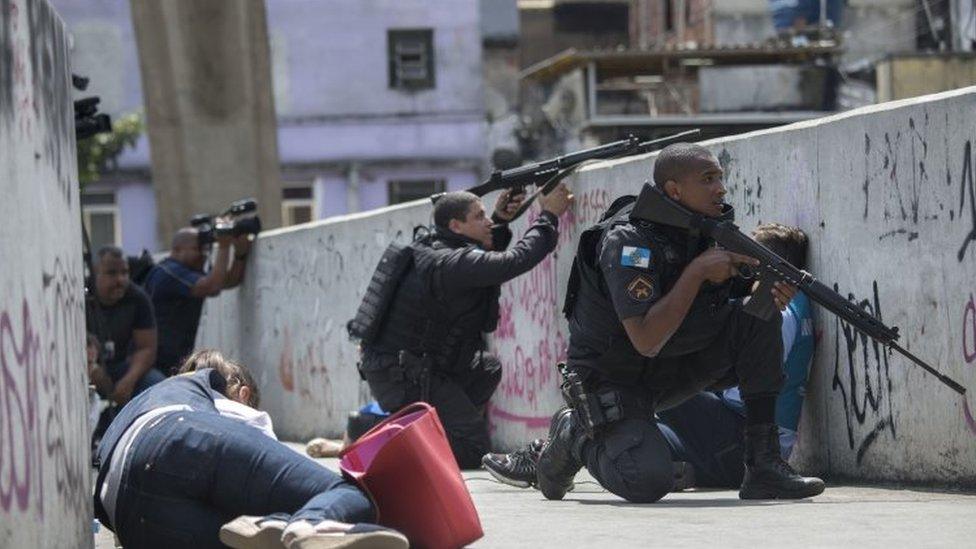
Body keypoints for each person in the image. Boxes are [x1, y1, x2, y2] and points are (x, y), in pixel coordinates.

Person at [532, 143, 824, 503]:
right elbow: (645, 339)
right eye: (707, 179)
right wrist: (699, 272)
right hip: (614, 380)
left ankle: (763, 465)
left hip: (671, 368)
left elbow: (728, 298)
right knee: (648, 480)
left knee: (756, 317)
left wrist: (761, 288)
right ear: (674, 190)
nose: (720, 188)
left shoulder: (702, 232)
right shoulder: (628, 242)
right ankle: (573, 433)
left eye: (720, 177)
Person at [485, 222, 815, 491]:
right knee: (622, 425)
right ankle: (561, 443)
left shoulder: (775, 311)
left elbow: (739, 389)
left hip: (734, 432)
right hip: (720, 436)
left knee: (622, 390)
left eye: (746, 257)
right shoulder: (776, 304)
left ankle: (572, 434)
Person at [92, 349, 408, 549]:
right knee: (348, 494)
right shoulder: (214, 390)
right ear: (243, 394)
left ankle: (284, 526)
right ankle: (308, 523)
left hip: (127, 516)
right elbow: (269, 473)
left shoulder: (148, 398)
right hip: (175, 439)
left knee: (253, 539)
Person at [359, 185, 573, 469]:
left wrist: (500, 219)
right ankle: (392, 444)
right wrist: (548, 216)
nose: (488, 222)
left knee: (486, 368)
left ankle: (433, 433)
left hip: (410, 368)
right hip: (405, 377)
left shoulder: (437, 248)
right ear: (456, 226)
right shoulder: (451, 262)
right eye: (479, 217)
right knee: (473, 449)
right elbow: (513, 261)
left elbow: (478, 260)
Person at [143, 226, 250, 375]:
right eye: (197, 249)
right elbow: (212, 286)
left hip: (170, 360)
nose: (203, 255)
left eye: (205, 249)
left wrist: (240, 254)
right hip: (158, 362)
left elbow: (229, 281)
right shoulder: (170, 272)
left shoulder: (183, 271)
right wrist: (224, 246)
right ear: (178, 249)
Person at [86, 245, 164, 405]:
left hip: (122, 368)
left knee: (158, 385)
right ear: (94, 273)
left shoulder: (137, 298)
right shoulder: (82, 296)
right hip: (87, 368)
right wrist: (91, 368)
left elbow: (146, 348)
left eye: (124, 272)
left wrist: (129, 381)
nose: (120, 280)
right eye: (112, 273)